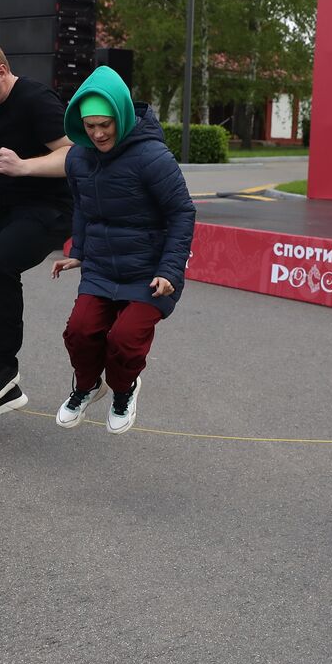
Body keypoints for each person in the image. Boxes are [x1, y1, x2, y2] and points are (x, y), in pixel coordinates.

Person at [50, 66, 195, 435]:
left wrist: (170, 270)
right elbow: (83, 207)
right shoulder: (78, 158)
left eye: (105, 124)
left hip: (150, 272)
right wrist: (79, 250)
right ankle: (87, 386)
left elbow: (182, 212)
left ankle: (123, 389)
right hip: (101, 268)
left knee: (124, 341)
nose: (98, 133)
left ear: (122, 116)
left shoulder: (152, 156)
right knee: (79, 332)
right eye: (90, 125)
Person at [0, 38, 74, 420]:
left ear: (1, 71)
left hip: (53, 208)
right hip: (10, 208)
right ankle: (1, 383)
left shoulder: (36, 100)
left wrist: (25, 166)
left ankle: (4, 367)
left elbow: (74, 153)